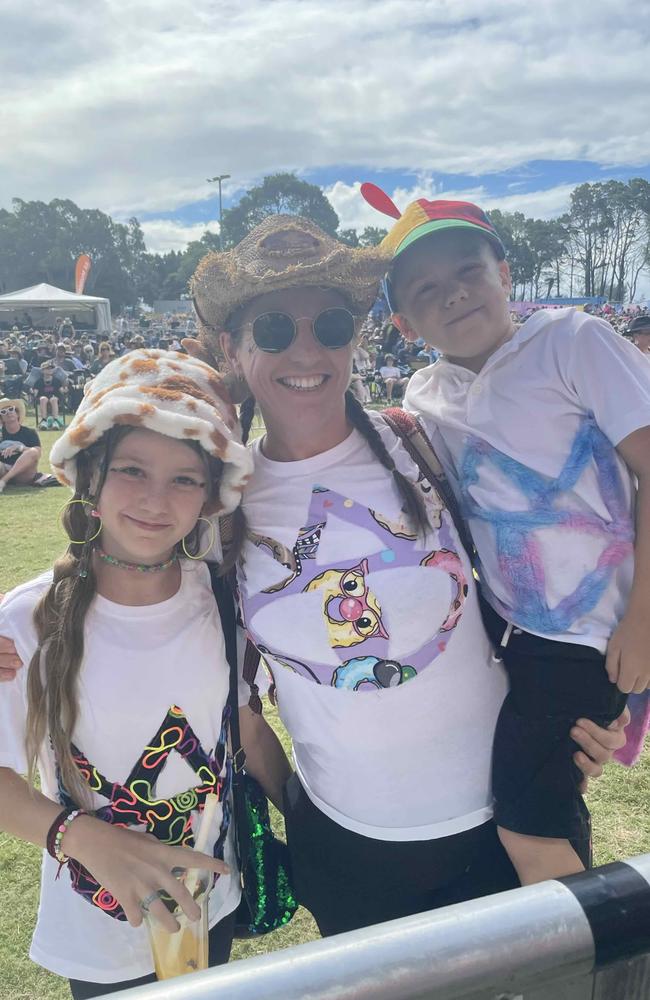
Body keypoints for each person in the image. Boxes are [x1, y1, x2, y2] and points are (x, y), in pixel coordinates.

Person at [185, 215, 627, 936]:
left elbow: (576, 531)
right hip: (349, 852)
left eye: (330, 324)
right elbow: (231, 698)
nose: (307, 350)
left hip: (508, 826)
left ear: (356, 338)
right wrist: (294, 803)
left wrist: (585, 706)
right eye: (272, 330)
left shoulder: (425, 437)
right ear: (233, 352)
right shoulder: (214, 504)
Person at [363, 190, 650, 885]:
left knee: (529, 824)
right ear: (403, 321)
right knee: (536, 803)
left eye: (468, 270)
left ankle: (579, 973)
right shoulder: (426, 395)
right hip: (502, 635)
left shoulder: (573, 342)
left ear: (506, 274)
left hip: (590, 639)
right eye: (427, 289)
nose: (455, 294)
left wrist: (643, 621)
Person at [0, 350, 255, 997]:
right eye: (132, 470)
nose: (154, 500)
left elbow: (237, 726)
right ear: (90, 474)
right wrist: (78, 836)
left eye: (184, 480)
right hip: (101, 935)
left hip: (209, 902)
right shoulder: (30, 619)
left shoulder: (217, 596)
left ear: (210, 493)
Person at [0, 398, 56, 493]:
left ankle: (4, 481)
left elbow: (37, 453)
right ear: (1, 419)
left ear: (17, 413)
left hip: (24, 474)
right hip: (4, 469)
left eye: (11, 409)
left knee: (32, 451)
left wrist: (19, 448)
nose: (8, 413)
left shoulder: (29, 432)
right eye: (3, 411)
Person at [31, 359, 68, 429]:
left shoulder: (56, 380)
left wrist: (65, 390)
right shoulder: (39, 381)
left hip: (54, 397)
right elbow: (35, 393)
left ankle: (55, 420)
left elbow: (61, 391)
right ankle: (44, 421)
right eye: (47, 369)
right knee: (43, 399)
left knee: (53, 399)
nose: (50, 370)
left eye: (51, 368)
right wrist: (32, 392)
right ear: (42, 371)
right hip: (42, 397)